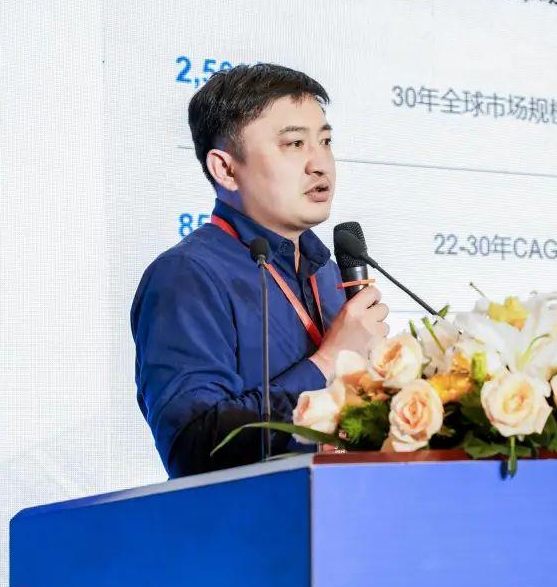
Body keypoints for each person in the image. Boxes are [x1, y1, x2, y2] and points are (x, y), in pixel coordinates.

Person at [131, 64, 389, 477]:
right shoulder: (187, 276)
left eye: (325, 141)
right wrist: (327, 362)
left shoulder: (328, 275)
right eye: (294, 144)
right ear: (225, 169)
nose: (320, 164)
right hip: (256, 515)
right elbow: (193, 446)